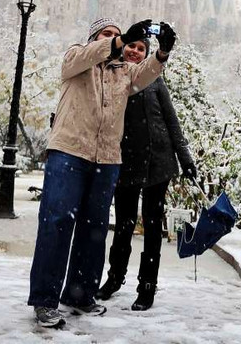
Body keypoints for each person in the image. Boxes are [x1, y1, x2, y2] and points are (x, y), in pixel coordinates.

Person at [28, 17, 177, 329]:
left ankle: (80, 294)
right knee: (57, 222)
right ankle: (45, 300)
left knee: (94, 228)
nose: (114, 39)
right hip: (70, 150)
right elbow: (83, 57)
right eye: (107, 34)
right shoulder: (77, 58)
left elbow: (146, 74)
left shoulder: (124, 73)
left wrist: (162, 53)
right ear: (94, 37)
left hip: (107, 159)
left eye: (116, 34)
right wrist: (116, 42)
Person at [96, 35, 197, 311]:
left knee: (152, 226)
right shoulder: (113, 78)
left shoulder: (155, 80)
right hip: (125, 161)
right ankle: (114, 278)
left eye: (142, 49)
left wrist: (185, 158)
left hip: (158, 161)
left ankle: (147, 286)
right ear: (123, 47)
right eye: (132, 47)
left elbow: (172, 121)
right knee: (124, 225)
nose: (136, 52)